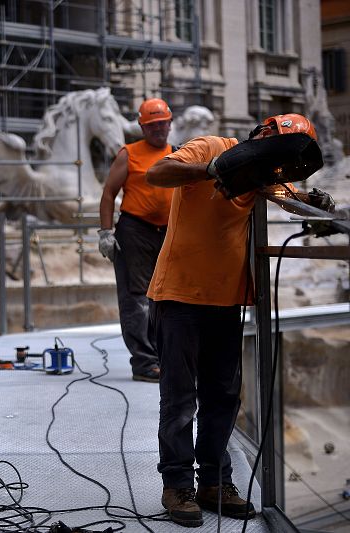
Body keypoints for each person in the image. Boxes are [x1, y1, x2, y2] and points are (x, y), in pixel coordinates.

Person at [144, 114, 320, 527]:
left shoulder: (262, 177)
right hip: (179, 295)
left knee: (223, 398)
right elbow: (159, 172)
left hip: (226, 301)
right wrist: (211, 170)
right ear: (262, 138)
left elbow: (290, 198)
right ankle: (177, 485)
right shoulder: (211, 147)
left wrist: (319, 203)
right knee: (180, 400)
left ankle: (214, 482)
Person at [98, 98, 174, 383]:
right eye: (152, 125)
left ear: (170, 123)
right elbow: (108, 194)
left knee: (164, 297)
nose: (157, 129)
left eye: (162, 123)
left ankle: (163, 356)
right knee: (135, 298)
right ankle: (143, 363)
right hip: (135, 231)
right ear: (142, 127)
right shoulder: (129, 154)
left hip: (167, 232)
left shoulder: (177, 154)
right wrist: (106, 232)